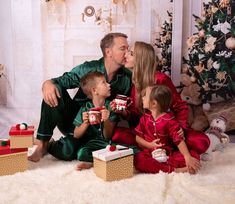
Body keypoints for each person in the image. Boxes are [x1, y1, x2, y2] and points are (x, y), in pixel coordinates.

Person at [29, 32, 131, 162]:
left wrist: (120, 112)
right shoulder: (89, 68)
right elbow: (61, 81)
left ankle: (73, 148)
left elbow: (127, 112)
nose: (127, 53)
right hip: (75, 122)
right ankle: (42, 144)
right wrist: (47, 84)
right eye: (123, 48)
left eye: (128, 49)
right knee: (54, 89)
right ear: (108, 52)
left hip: (101, 131)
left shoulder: (127, 78)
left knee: (72, 150)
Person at [111, 41, 210, 159]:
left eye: (131, 53)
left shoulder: (160, 79)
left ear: (141, 60)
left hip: (167, 132)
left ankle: (169, 151)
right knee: (116, 135)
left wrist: (179, 129)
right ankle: (159, 151)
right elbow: (135, 116)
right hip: (146, 135)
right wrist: (123, 112)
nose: (125, 55)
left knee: (202, 141)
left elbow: (180, 106)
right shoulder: (134, 82)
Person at [134, 85, 201, 174]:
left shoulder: (169, 120)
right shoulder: (144, 118)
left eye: (145, 95)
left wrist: (187, 156)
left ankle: (165, 166)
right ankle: (175, 170)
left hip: (168, 155)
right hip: (149, 154)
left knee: (193, 156)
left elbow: (179, 140)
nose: (142, 98)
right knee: (138, 160)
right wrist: (149, 145)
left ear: (154, 104)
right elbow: (137, 138)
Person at [72, 71, 119, 170]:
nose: (109, 84)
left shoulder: (111, 107)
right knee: (81, 153)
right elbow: (76, 134)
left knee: (128, 151)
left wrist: (106, 120)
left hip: (107, 144)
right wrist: (86, 123)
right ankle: (97, 162)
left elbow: (108, 136)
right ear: (95, 90)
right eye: (104, 83)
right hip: (91, 144)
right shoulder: (85, 108)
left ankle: (94, 163)